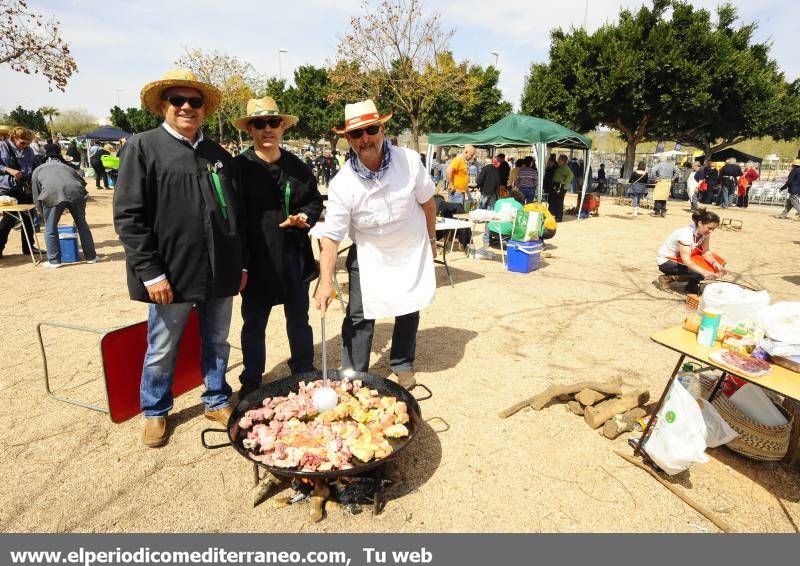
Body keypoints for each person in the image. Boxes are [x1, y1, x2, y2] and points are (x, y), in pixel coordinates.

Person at [113, 69, 246, 447]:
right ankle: (155, 410)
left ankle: (216, 397)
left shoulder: (218, 155)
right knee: (162, 344)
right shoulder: (143, 147)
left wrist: (241, 264)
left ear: (204, 109)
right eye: (178, 100)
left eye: (195, 101)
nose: (187, 107)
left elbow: (236, 215)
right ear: (163, 105)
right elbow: (129, 216)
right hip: (171, 270)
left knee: (218, 340)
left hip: (219, 268)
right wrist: (151, 273)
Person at [312, 99, 437, 390]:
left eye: (370, 129)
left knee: (409, 304)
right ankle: (354, 373)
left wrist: (431, 240)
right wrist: (325, 280)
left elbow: (428, 204)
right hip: (369, 251)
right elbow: (332, 236)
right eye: (356, 134)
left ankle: (402, 363)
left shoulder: (408, 160)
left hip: (409, 246)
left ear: (382, 128)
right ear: (347, 139)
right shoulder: (342, 183)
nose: (365, 139)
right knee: (358, 313)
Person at [232, 97, 323, 398]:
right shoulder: (239, 168)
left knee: (299, 320)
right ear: (250, 129)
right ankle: (252, 378)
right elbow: (231, 215)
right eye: (259, 123)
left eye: (273, 122)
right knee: (254, 324)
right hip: (256, 261)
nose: (267, 129)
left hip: (293, 257)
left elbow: (314, 200)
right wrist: (240, 263)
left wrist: (305, 217)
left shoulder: (298, 166)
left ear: (282, 126)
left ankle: (304, 370)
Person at [31, 145, 97, 267]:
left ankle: (54, 261)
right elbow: (82, 183)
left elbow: (36, 194)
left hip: (52, 194)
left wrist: (42, 213)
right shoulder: (68, 168)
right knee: (82, 225)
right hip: (76, 193)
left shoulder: (38, 170)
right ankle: (91, 257)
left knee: (50, 228)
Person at [656, 208, 725, 294]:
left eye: (713, 229)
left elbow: (706, 252)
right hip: (666, 261)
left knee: (717, 265)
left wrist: (715, 264)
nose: (711, 231)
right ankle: (667, 279)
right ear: (700, 223)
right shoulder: (686, 234)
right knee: (700, 271)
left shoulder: (705, 233)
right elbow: (687, 261)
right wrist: (704, 272)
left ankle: (691, 286)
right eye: (709, 228)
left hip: (681, 258)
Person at [0, 126, 40, 259]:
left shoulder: (29, 151)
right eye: (22, 142)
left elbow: (34, 166)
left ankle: (28, 247)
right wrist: (8, 170)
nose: (25, 146)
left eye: (28, 143)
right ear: (13, 137)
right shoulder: (2, 146)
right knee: (10, 218)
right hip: (6, 188)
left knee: (28, 217)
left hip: (24, 188)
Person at [550, 155, 573, 222]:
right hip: (556, 185)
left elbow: (571, 175)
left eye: (559, 159)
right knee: (555, 200)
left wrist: (565, 182)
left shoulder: (566, 168)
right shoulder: (559, 166)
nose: (558, 160)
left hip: (561, 186)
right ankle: (555, 215)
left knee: (559, 201)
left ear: (563, 161)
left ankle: (559, 217)